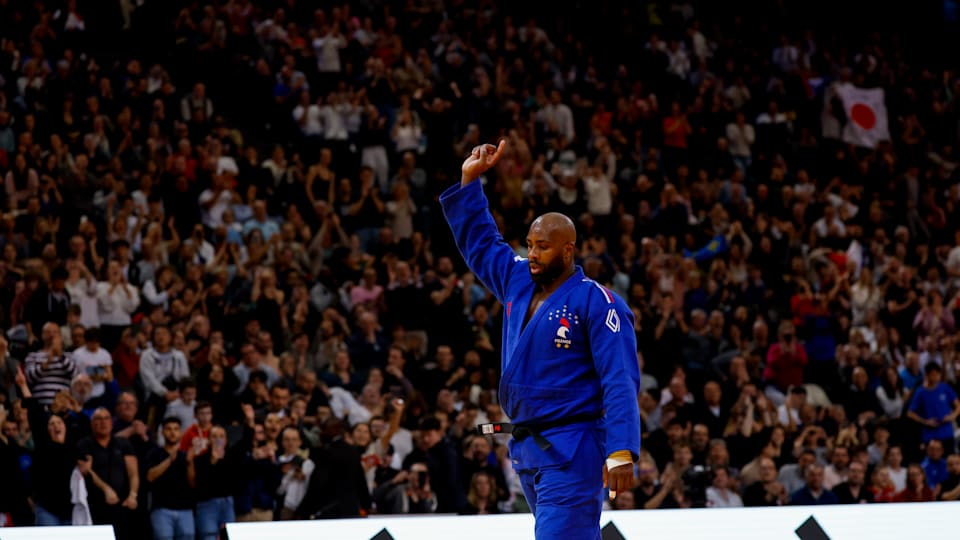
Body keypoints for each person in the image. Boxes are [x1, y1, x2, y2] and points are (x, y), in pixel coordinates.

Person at [440, 141, 641, 539]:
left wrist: (621, 449)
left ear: (568, 250)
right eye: (530, 245)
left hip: (573, 448)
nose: (532, 254)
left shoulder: (597, 302)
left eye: (543, 247)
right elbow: (482, 244)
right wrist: (469, 182)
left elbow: (619, 378)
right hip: (529, 448)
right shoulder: (517, 279)